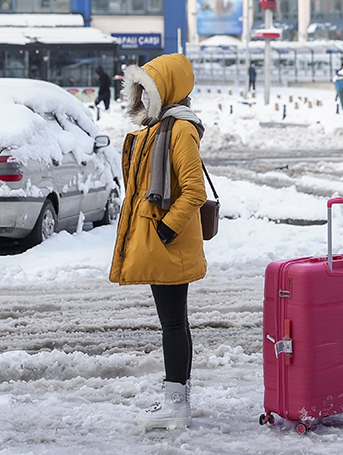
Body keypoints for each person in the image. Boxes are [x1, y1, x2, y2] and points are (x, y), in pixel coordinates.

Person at [110, 53, 207, 429]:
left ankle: (176, 404)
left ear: (164, 90)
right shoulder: (159, 129)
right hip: (162, 241)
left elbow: (193, 191)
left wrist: (166, 229)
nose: (142, 100)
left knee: (172, 324)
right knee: (175, 322)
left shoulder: (179, 130)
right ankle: (177, 399)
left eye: (147, 92)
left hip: (168, 242)